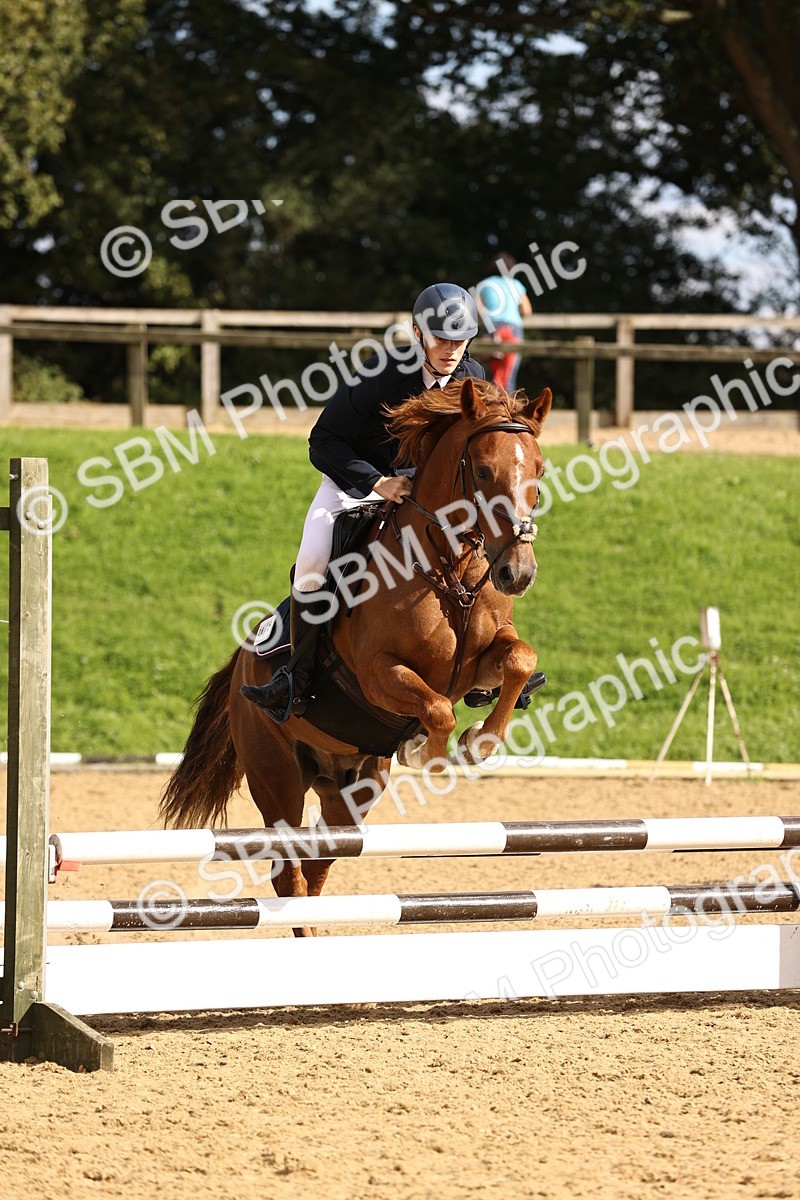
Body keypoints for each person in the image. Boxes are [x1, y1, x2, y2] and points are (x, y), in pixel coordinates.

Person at [241, 282, 485, 721]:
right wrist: (378, 482)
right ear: (417, 332)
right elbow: (323, 440)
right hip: (356, 485)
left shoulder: (473, 379)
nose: (451, 349)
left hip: (425, 499)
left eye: (460, 339)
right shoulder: (382, 374)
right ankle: (294, 677)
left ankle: (481, 669)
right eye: (440, 337)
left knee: (481, 552)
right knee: (315, 560)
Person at [474, 252, 532, 391]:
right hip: (514, 330)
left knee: (490, 375)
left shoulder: (484, 284)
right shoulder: (516, 284)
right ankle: (507, 408)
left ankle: (490, 409)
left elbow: (477, 312)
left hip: (492, 329)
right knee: (508, 375)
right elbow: (527, 310)